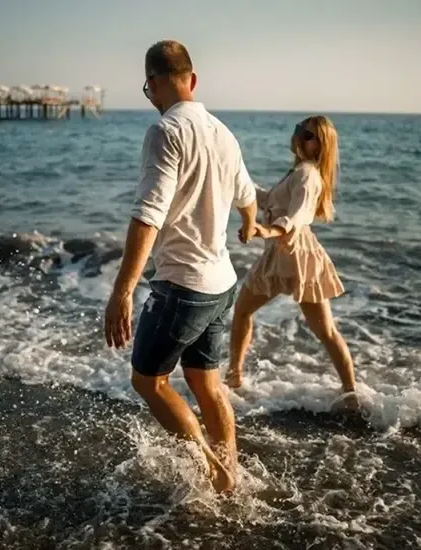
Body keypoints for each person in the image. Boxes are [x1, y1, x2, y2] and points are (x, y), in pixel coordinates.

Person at [104, 40, 257, 493]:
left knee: (147, 381)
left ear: (151, 85)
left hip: (184, 286)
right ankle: (230, 476)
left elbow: (148, 214)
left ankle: (214, 470)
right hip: (221, 284)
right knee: (204, 380)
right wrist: (247, 225)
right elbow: (248, 196)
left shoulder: (165, 130)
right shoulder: (223, 132)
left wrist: (122, 292)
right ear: (193, 80)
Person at [225, 116, 357, 408]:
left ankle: (351, 392)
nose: (298, 135)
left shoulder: (309, 175)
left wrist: (269, 230)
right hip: (277, 254)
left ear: (320, 145)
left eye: (307, 134)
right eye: (299, 129)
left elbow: (297, 216)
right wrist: (237, 179)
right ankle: (234, 375)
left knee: (325, 330)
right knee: (243, 309)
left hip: (298, 255)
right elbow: (268, 199)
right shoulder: (296, 170)